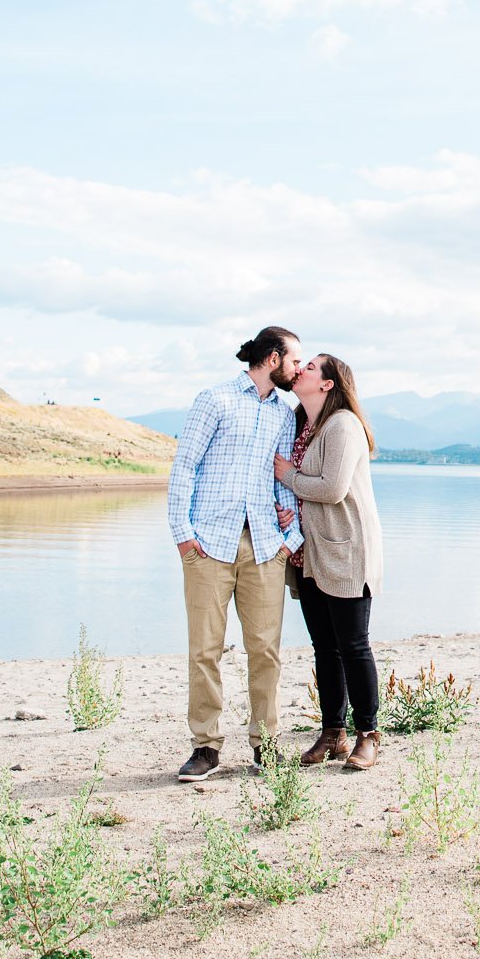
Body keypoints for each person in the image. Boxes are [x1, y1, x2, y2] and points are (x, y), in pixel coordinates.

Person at [168, 326, 308, 782]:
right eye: (293, 361)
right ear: (272, 359)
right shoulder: (215, 399)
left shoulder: (285, 414)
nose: (297, 369)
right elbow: (184, 465)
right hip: (209, 545)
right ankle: (205, 748)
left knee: (265, 651)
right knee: (204, 650)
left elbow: (282, 477)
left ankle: (264, 747)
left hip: (266, 548)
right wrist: (183, 534)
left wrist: (291, 537)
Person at [275, 353, 385, 771]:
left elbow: (333, 488)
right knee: (325, 647)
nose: (299, 369)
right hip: (311, 553)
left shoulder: (343, 425)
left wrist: (287, 476)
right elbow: (308, 492)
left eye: (310, 366)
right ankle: (333, 732)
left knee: (353, 646)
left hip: (346, 550)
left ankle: (368, 734)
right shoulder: (306, 424)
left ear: (327, 383)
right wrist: (290, 509)